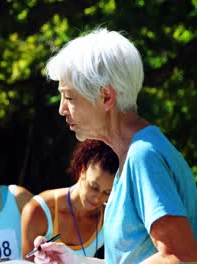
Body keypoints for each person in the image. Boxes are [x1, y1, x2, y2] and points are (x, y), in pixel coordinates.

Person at [31, 28, 197, 263]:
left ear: (106, 97)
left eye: (69, 97)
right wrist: (75, 261)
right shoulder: (135, 155)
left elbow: (180, 256)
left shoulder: (143, 157)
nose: (61, 109)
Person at [21, 140, 118, 260]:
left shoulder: (109, 217)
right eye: (94, 187)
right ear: (82, 170)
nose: (97, 198)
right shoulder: (38, 210)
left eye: (107, 192)